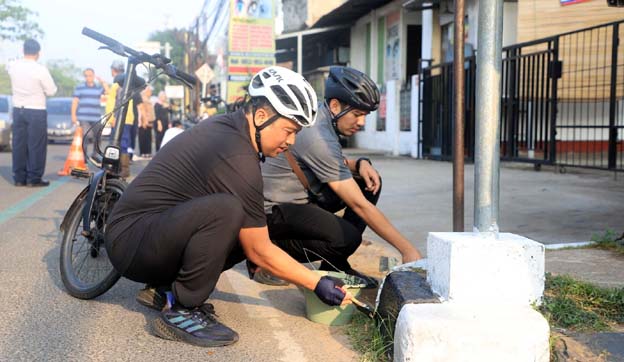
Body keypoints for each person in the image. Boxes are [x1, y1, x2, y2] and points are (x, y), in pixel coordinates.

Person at [104, 66, 351, 348]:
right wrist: (316, 283)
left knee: (248, 222)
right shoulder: (236, 153)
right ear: (261, 116)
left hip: (149, 235)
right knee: (229, 210)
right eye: (289, 130)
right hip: (131, 242)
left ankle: (164, 290)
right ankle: (182, 309)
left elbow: (253, 240)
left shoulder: (232, 130)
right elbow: (259, 250)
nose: (291, 141)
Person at [259, 66, 422, 286]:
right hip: (273, 214)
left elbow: (330, 163)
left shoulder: (321, 117)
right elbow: (359, 206)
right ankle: (267, 257)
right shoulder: (317, 135)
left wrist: (361, 163)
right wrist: (407, 250)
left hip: (296, 201)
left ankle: (334, 266)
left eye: (365, 116)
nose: (362, 122)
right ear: (335, 106)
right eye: (357, 114)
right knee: (347, 238)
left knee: (368, 182)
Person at [8, 39, 57, 187]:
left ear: (23, 50)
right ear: (38, 53)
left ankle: (19, 178)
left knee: (19, 144)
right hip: (36, 110)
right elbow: (51, 91)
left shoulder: (13, 66)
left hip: (18, 109)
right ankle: (34, 178)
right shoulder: (40, 69)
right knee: (36, 145)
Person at [71, 68, 108, 157]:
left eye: (90, 75)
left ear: (94, 76)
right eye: (86, 76)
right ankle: (84, 157)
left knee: (98, 137)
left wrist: (102, 82)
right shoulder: (80, 87)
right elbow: (75, 101)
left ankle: (95, 155)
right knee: (85, 137)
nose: (88, 77)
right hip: (83, 117)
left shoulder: (98, 88)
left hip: (95, 117)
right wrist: (73, 115)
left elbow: (108, 91)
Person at [137, 86, 155, 158]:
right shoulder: (143, 98)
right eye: (150, 91)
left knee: (148, 137)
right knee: (143, 137)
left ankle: (148, 152)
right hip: (144, 122)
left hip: (149, 121)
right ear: (147, 91)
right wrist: (144, 121)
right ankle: (143, 152)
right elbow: (142, 110)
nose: (151, 93)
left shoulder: (147, 98)